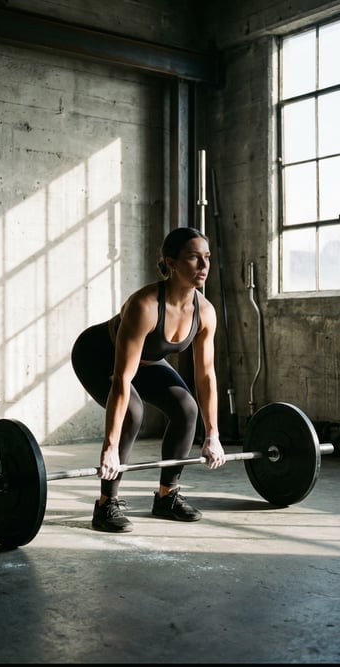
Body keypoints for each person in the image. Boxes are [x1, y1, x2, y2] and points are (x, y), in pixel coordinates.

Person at [71, 226, 226, 533]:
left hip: (147, 361)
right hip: (97, 355)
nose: (204, 266)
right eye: (194, 258)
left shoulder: (204, 312)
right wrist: (110, 447)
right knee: (132, 411)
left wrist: (213, 434)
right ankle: (105, 505)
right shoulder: (145, 306)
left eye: (207, 257)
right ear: (171, 262)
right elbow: (122, 380)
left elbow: (206, 375)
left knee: (186, 409)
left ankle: (167, 497)